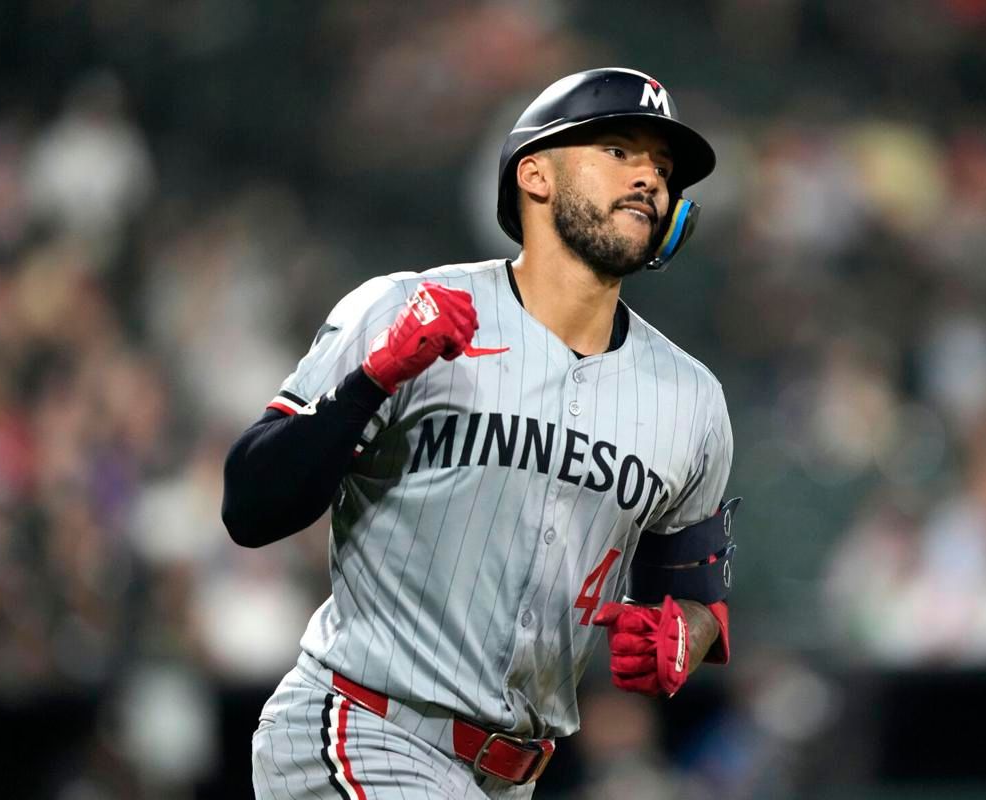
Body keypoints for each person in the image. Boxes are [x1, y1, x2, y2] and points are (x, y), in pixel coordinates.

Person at [222, 67, 739, 800]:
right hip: (364, 726)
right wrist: (368, 383)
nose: (650, 178)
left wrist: (685, 635)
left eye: (663, 167)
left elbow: (694, 590)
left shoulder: (692, 400)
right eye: (620, 151)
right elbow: (249, 504)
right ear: (535, 174)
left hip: (510, 779)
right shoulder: (406, 307)